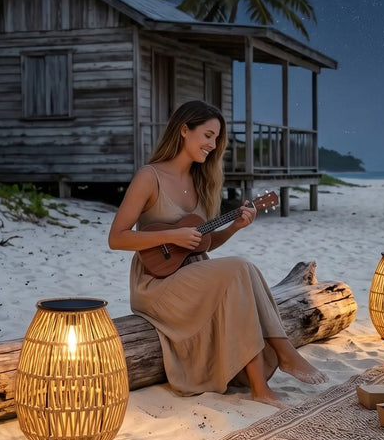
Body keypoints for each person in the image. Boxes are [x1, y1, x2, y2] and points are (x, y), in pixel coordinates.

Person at [108, 100, 327, 408]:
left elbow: (203, 245)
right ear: (184, 130)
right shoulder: (150, 177)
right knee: (241, 268)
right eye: (208, 135)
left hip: (193, 274)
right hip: (156, 283)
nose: (212, 145)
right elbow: (116, 238)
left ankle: (262, 384)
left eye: (216, 139)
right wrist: (172, 234)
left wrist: (235, 226)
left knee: (242, 270)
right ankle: (283, 357)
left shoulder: (202, 181)